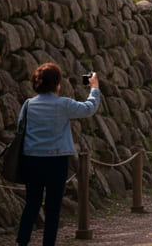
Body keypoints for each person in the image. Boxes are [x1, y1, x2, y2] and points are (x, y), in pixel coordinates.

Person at [16, 63, 100, 246]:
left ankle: (21, 242)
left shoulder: (28, 105)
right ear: (57, 84)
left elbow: (20, 129)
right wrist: (94, 88)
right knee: (53, 209)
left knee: (31, 204)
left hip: (32, 159)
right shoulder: (64, 104)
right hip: (57, 160)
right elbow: (89, 108)